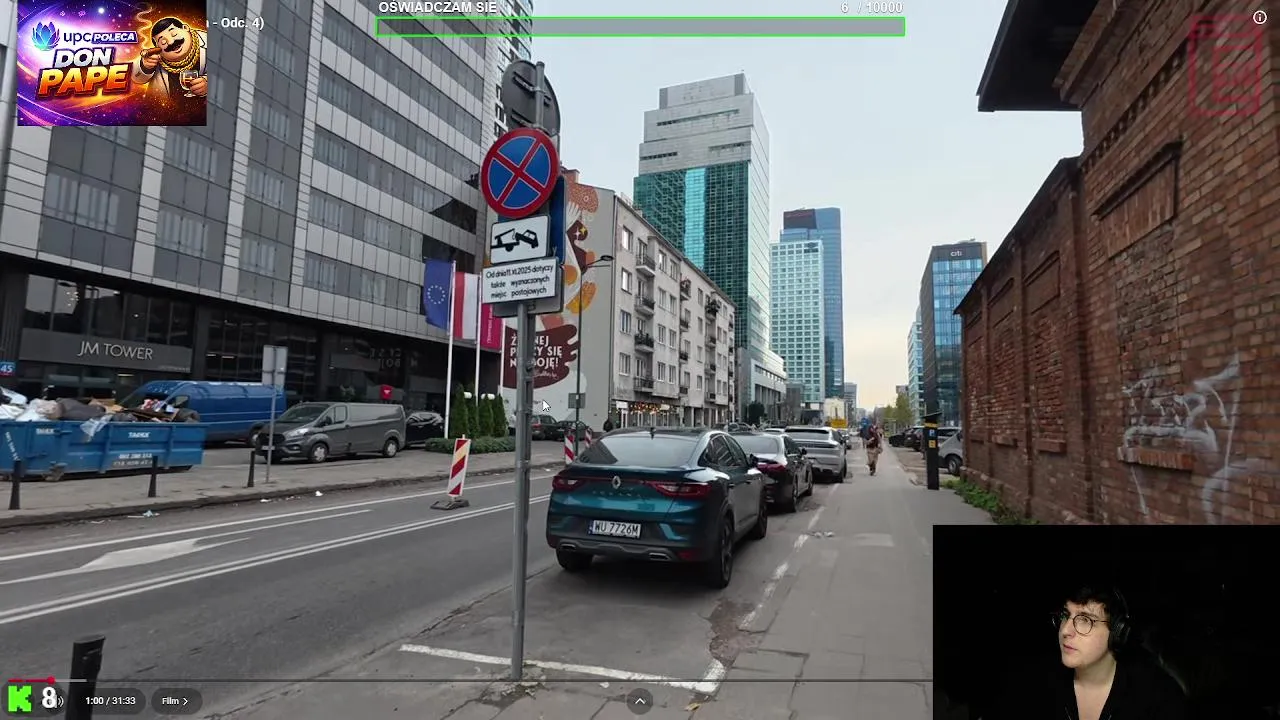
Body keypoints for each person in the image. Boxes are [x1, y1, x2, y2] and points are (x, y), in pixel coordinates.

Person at [989, 584, 1189, 720]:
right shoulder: (1032, 682)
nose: (1065, 630)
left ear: (1117, 632)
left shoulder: (1159, 698)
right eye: (1065, 615)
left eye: (1085, 620)